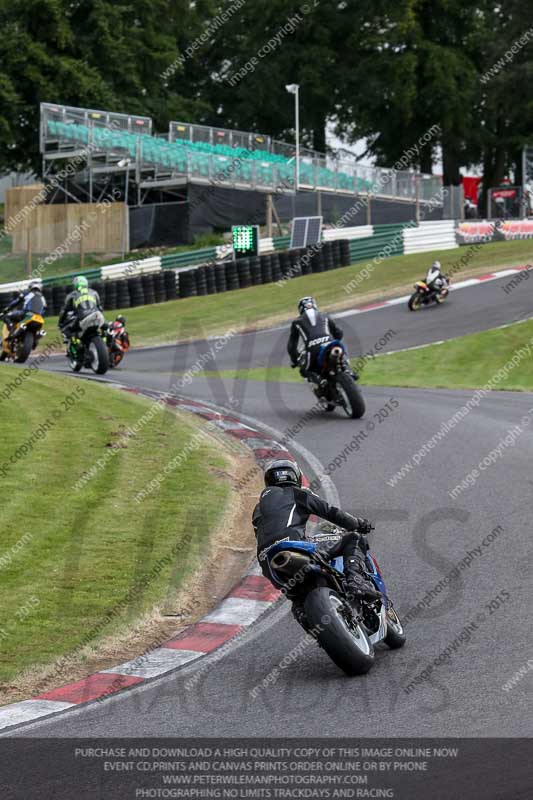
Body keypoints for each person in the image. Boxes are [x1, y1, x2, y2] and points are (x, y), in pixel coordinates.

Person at [252, 459, 380, 607]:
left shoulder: (258, 509)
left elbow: (262, 534)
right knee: (354, 538)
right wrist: (358, 524)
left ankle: (301, 610)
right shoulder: (298, 493)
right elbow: (331, 512)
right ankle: (355, 581)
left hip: (267, 562)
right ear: (295, 476)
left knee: (297, 600)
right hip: (294, 547)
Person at [287, 297, 344, 380]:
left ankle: (319, 381)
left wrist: (294, 360)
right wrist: (335, 339)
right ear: (314, 305)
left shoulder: (296, 322)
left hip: (313, 350)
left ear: (300, 309)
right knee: (341, 352)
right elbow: (338, 333)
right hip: (330, 343)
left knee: (304, 371)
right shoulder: (324, 315)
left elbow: (292, 346)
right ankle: (348, 371)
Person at [58, 276, 104, 342]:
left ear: (75, 285)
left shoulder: (72, 295)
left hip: (82, 318)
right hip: (97, 316)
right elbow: (100, 308)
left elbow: (64, 311)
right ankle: (107, 340)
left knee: (65, 330)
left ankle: (75, 343)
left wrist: (60, 323)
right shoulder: (94, 292)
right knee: (106, 327)